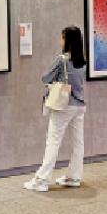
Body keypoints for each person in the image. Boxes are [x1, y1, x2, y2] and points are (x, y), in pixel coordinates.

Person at [24, 25, 87, 192]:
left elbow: (45, 77)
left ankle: (42, 180)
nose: (60, 40)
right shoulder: (83, 61)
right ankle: (74, 176)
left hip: (63, 106)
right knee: (77, 142)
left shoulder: (62, 60)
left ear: (67, 40)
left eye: (62, 37)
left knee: (53, 141)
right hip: (79, 106)